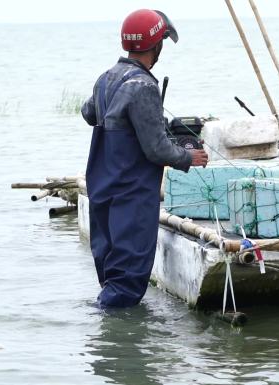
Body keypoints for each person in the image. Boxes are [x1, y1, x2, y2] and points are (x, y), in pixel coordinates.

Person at [81, 9, 208, 308]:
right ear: (157, 45)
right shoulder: (144, 86)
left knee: (112, 277)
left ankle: (107, 344)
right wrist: (189, 157)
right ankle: (123, 349)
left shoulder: (106, 78)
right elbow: (156, 149)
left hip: (102, 190)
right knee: (127, 284)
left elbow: (88, 113)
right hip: (131, 195)